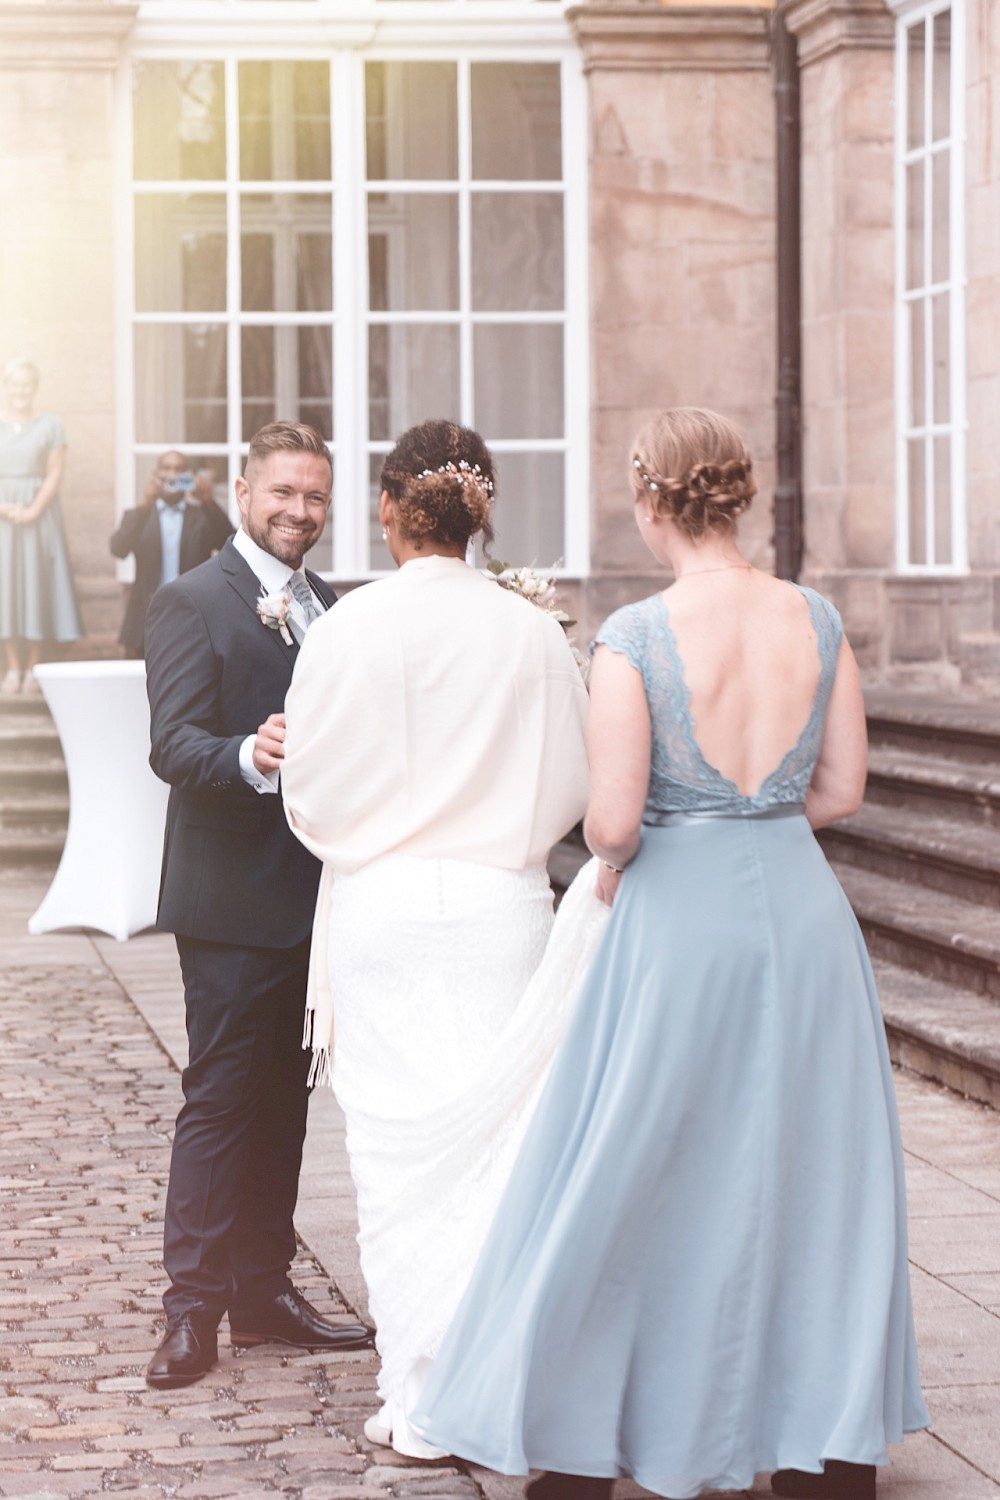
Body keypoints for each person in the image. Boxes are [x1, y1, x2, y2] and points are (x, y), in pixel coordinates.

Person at [412, 408, 930, 1500]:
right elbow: (839, 791)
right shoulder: (819, 618)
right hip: (799, 913)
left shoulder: (635, 636)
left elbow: (610, 825)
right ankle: (822, 1448)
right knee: (812, 1174)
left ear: (652, 501)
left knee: (632, 1161)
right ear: (734, 496)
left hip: (678, 923)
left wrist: (630, 850)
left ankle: (585, 1438)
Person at [280, 419, 595, 1457]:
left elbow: (311, 802)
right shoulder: (531, 633)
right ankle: (500, 1379)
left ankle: (418, 1400)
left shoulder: (345, 631)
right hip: (504, 911)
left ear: (385, 507)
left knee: (393, 1162)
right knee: (502, 1153)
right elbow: (573, 791)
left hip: (381, 912)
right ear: (483, 513)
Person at [143, 420, 372, 1391]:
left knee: (286, 1102)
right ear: (242, 493)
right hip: (230, 900)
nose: (299, 512)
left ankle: (263, 1291)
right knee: (222, 1099)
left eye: (315, 497)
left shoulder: (329, 604)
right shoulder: (191, 600)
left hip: (313, 901)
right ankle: (189, 1308)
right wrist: (249, 753)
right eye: (283, 493)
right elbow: (172, 745)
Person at [0, 357, 82, 694]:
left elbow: (54, 473)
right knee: (6, 590)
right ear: (6, 386)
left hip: (38, 514)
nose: (20, 390)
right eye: (14, 384)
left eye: (26, 385)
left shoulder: (50, 424)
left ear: (34, 388)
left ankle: (34, 666)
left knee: (35, 587)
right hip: (3, 516)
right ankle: (12, 668)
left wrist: (33, 509)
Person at [110, 450, 234, 657]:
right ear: (156, 475)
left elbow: (231, 545)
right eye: (166, 469)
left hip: (192, 616)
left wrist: (208, 501)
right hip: (144, 618)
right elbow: (118, 548)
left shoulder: (203, 517)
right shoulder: (139, 515)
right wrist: (145, 503)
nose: (172, 474)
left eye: (179, 470)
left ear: (190, 476)